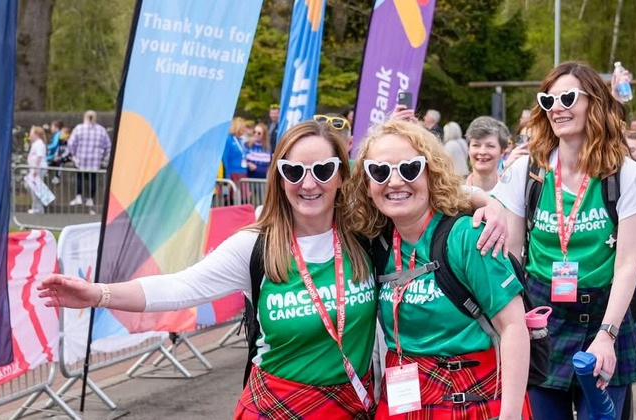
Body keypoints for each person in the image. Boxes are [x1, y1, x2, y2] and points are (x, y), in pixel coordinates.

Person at [37, 121, 381, 418]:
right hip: (277, 408)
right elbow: (179, 288)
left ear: (341, 175)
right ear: (279, 176)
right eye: (294, 171)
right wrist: (98, 294)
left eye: (323, 170)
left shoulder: (366, 240)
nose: (309, 184)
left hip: (351, 406)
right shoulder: (255, 246)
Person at [491, 61, 636, 419]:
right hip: (542, 317)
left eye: (568, 97)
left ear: (594, 103)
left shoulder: (627, 175)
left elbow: (628, 264)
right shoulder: (527, 172)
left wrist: (608, 336)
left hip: (604, 311)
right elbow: (512, 256)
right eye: (547, 100)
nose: (556, 107)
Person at [345, 120, 530, 419]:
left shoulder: (468, 236)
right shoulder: (373, 240)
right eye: (379, 171)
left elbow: (513, 327)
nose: (394, 182)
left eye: (409, 169)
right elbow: (318, 182)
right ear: (366, 182)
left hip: (475, 400)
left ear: (431, 172)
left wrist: (510, 416)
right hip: (403, 401)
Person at [67, 110, 111, 209]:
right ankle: (90, 199)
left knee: (79, 177)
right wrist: (103, 157)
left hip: (81, 158)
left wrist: (74, 154)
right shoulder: (101, 130)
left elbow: (71, 143)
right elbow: (108, 146)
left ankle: (79, 196)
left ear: (85, 117)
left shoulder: (79, 128)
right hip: (95, 159)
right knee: (93, 178)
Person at [466, 116, 512, 191]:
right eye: (476, 145)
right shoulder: (456, 195)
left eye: (490, 146)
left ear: (502, 152)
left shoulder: (512, 194)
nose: (482, 152)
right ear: (468, 149)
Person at [26, 126, 49, 214]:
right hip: (35, 168)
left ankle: (38, 208)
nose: (30, 135)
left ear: (36, 134)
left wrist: (35, 169)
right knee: (34, 188)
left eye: (31, 133)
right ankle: (37, 207)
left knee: (36, 189)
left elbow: (39, 156)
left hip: (38, 168)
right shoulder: (37, 143)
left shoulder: (39, 144)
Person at [222, 118, 250, 183]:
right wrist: (226, 176)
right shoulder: (229, 139)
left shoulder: (241, 140)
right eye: (243, 127)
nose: (245, 129)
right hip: (233, 172)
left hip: (242, 172)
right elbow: (225, 158)